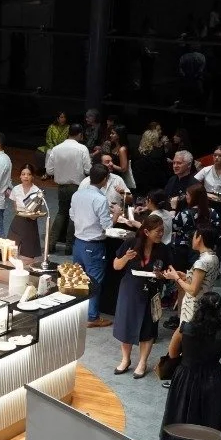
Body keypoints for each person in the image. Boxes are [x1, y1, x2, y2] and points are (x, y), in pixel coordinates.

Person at [159, 292, 221, 440]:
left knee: (181, 418)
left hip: (186, 377)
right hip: (213, 378)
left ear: (199, 307)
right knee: (209, 422)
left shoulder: (185, 328)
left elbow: (172, 353)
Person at [112, 214, 168, 378]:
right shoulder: (131, 243)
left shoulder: (163, 249)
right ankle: (125, 359)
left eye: (162, 230)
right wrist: (125, 257)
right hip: (130, 289)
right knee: (126, 325)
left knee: (148, 328)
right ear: (146, 232)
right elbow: (116, 266)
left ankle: (142, 362)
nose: (161, 234)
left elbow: (168, 273)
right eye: (158, 231)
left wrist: (161, 275)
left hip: (151, 291)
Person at [71, 164, 117, 327]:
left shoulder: (77, 194)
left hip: (78, 243)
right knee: (94, 281)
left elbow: (72, 215)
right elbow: (107, 226)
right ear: (105, 180)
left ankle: (77, 311)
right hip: (94, 245)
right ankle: (92, 317)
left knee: (78, 279)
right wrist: (116, 214)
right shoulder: (100, 199)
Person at [162, 224, 221, 330]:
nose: (192, 240)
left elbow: (193, 290)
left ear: (199, 238)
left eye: (194, 236)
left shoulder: (201, 262)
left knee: (187, 334)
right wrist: (186, 276)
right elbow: (203, 280)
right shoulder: (214, 257)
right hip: (204, 303)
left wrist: (176, 277)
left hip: (192, 306)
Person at [46, 126, 91, 251]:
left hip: (62, 187)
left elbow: (49, 170)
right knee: (73, 215)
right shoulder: (82, 148)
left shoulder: (56, 148)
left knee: (61, 213)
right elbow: (88, 169)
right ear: (80, 134)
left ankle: (51, 244)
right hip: (77, 187)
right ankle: (69, 246)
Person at [8, 165, 46, 265]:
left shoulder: (37, 191)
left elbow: (39, 210)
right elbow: (15, 208)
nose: (26, 177)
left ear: (32, 176)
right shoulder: (16, 189)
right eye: (23, 174)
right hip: (17, 221)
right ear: (20, 176)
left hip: (30, 223)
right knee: (11, 251)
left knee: (28, 255)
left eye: (29, 174)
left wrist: (32, 215)